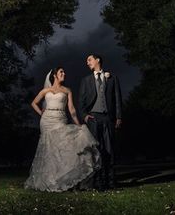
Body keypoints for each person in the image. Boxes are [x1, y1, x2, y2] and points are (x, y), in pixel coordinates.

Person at [24, 67, 100, 192]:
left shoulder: (67, 90)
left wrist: (78, 124)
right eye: (61, 72)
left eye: (64, 72)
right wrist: (41, 113)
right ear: (55, 75)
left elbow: (72, 109)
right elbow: (34, 103)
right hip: (47, 121)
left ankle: (64, 179)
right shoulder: (46, 90)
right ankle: (50, 180)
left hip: (60, 119)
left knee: (64, 147)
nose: (64, 74)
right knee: (49, 149)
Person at [78, 54, 122, 190]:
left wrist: (119, 117)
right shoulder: (86, 80)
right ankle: (97, 183)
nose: (87, 63)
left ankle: (110, 181)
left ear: (98, 60)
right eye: (86, 61)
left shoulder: (112, 78)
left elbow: (117, 99)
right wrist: (85, 116)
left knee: (109, 150)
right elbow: (81, 102)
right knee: (95, 152)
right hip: (93, 119)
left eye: (89, 60)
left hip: (108, 118)